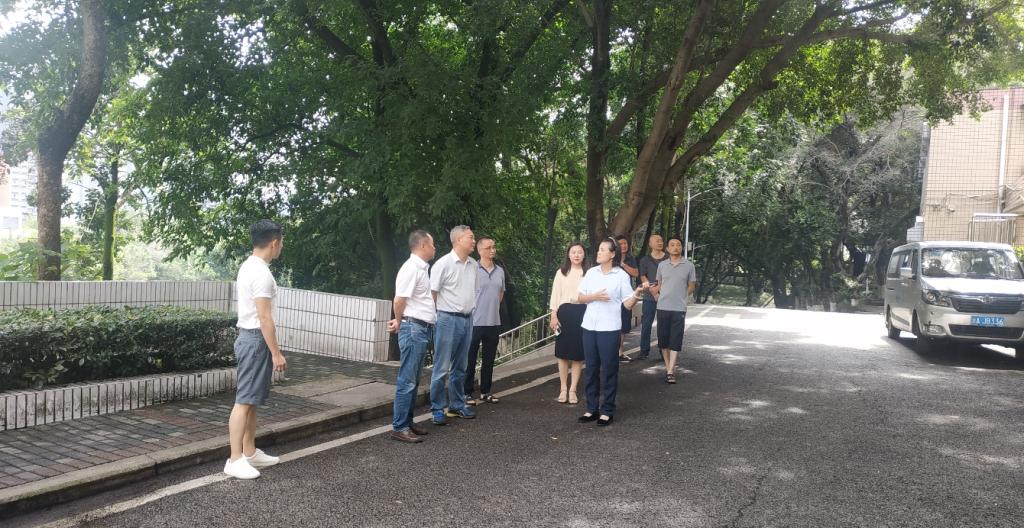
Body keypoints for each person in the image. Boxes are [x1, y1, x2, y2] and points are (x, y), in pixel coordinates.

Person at [224, 220, 287, 480]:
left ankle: (249, 452)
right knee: (243, 402)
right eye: (281, 243)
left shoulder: (249, 265)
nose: (281, 247)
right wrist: (276, 353)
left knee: (250, 401)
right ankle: (234, 459)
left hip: (250, 339)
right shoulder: (261, 274)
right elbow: (264, 317)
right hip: (255, 340)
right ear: (274, 243)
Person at [577, 238, 645, 426]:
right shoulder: (591, 273)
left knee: (609, 369)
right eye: (598, 249)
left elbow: (627, 304)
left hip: (609, 328)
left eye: (602, 250)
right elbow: (580, 297)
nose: (598, 252)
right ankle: (591, 408)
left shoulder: (620, 275)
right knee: (591, 369)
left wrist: (637, 294)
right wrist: (594, 296)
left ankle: (607, 410)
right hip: (589, 326)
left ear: (612, 254)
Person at [386, 230, 437, 443]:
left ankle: (407, 422)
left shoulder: (421, 269)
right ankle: (400, 427)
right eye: (432, 244)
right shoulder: (411, 268)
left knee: (413, 380)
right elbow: (399, 300)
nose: (435, 248)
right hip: (413, 328)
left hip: (419, 328)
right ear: (423, 245)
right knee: (407, 380)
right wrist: (399, 320)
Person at [429, 225, 478, 424]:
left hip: (467, 318)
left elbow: (474, 291)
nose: (474, 241)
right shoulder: (443, 264)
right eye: (470, 237)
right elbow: (432, 294)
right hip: (447, 319)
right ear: (458, 240)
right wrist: (433, 319)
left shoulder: (473, 265)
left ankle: (457, 405)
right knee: (441, 367)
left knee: (461, 366)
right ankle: (437, 409)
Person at [465, 236, 505, 405]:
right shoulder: (472, 269)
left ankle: (485, 391)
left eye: (494, 247)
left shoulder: (500, 271)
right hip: (474, 322)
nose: (492, 250)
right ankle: (466, 393)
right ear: (480, 250)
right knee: (470, 359)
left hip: (493, 321)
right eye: (488, 248)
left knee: (489, 360)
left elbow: (500, 294)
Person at [653, 236, 698, 384]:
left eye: (678, 245)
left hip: (679, 308)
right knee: (663, 340)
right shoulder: (662, 265)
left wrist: (683, 297)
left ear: (681, 248)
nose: (675, 247)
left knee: (676, 339)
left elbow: (691, 285)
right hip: (662, 306)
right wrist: (659, 296)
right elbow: (659, 284)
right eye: (672, 245)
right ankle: (668, 367)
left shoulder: (689, 266)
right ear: (667, 248)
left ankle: (671, 371)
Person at [549, 243, 587, 404]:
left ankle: (573, 390)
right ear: (568, 255)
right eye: (573, 252)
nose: (576, 255)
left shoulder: (589, 273)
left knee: (578, 355)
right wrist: (553, 315)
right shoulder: (561, 272)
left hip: (582, 313)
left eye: (580, 252)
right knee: (562, 353)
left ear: (584, 255)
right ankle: (563, 388)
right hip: (564, 314)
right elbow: (555, 295)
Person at [637, 234, 667, 360]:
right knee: (646, 324)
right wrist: (652, 290)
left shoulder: (668, 259)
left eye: (661, 240)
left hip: (665, 296)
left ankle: (663, 351)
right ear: (650, 244)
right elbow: (643, 276)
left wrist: (658, 290)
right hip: (649, 296)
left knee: (663, 325)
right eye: (656, 241)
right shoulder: (645, 260)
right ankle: (644, 351)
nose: (660, 242)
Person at [615, 236, 640, 363]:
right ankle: (609, 352)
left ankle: (620, 352)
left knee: (623, 326)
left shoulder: (631, 259)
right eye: (620, 244)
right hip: (612, 297)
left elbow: (636, 273)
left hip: (626, 297)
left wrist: (623, 265)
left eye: (625, 243)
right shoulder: (611, 258)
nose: (623, 246)